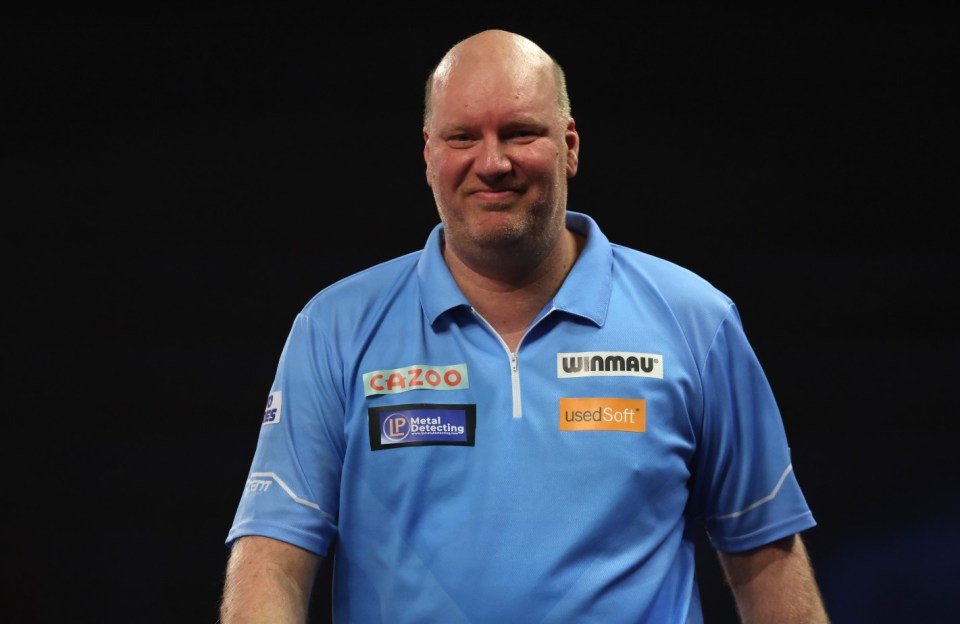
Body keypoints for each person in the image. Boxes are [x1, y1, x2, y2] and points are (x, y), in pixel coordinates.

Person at [220, 28, 830, 623]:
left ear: (570, 146)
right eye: (463, 137)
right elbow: (272, 557)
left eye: (519, 133)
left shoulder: (697, 321)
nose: (492, 162)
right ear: (428, 154)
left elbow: (766, 556)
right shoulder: (335, 328)